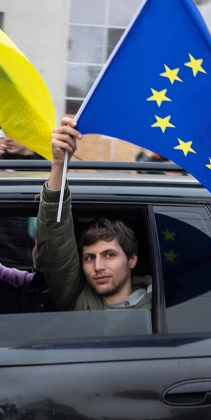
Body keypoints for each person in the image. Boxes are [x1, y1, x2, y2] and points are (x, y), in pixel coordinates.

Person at [35, 117, 151, 311]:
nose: (98, 267)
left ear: (132, 259)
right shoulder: (77, 298)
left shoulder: (160, 308)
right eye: (89, 257)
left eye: (109, 254)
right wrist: (58, 164)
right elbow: (55, 240)